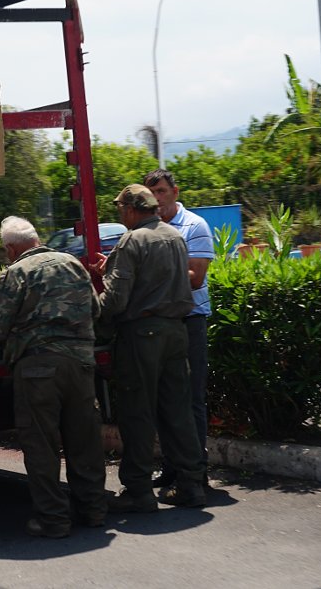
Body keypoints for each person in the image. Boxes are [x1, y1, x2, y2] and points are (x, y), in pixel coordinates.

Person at [0, 216, 107, 538]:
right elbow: (94, 310)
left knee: (42, 445)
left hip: (38, 369)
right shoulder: (73, 264)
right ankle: (93, 510)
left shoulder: (16, 273)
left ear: (10, 249)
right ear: (36, 238)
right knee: (84, 441)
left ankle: (53, 519)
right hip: (81, 366)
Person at [92, 185, 206, 510]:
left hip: (142, 335)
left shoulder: (131, 240)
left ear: (130, 209)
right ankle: (191, 485)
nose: (120, 215)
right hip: (176, 332)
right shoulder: (173, 236)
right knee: (177, 411)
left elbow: (116, 299)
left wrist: (93, 312)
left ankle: (139, 491)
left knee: (137, 413)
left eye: (120, 209)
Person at [143, 168, 214, 488]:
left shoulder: (195, 226)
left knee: (191, 399)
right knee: (164, 399)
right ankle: (173, 466)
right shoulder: (148, 229)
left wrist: (154, 277)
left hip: (190, 320)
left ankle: (197, 469)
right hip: (160, 323)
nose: (156, 198)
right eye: (150, 193)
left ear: (175, 191)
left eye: (160, 191)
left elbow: (196, 278)